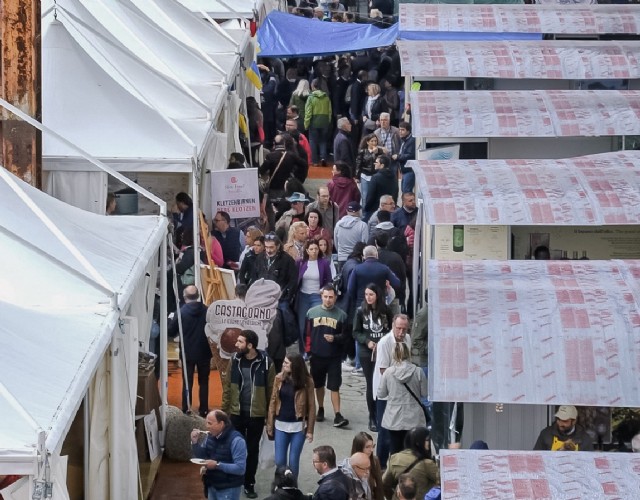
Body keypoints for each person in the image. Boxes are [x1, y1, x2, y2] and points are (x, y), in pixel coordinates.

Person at [222, 330, 276, 498]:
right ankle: (234, 480)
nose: (236, 344)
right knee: (235, 448)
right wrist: (224, 412)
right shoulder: (234, 360)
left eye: (240, 341)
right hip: (236, 414)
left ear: (250, 345)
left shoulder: (266, 363)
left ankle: (249, 483)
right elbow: (227, 387)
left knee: (252, 450)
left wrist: (269, 419)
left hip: (256, 416)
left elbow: (272, 393)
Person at [306, 285, 350, 428]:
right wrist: (308, 351)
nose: (328, 300)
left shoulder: (341, 315)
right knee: (318, 385)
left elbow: (346, 336)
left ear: (335, 298)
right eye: (325, 296)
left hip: (334, 357)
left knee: (334, 386)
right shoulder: (311, 313)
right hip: (317, 355)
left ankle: (337, 414)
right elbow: (306, 334)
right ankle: (320, 408)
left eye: (331, 297)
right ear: (321, 296)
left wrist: (335, 338)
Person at [266, 353, 316, 478]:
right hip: (280, 424)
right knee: (279, 461)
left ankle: (292, 489)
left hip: (298, 426)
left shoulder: (307, 381)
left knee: (293, 461)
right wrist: (270, 425)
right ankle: (281, 486)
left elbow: (311, 406)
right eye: (284, 362)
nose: (283, 365)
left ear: (295, 365)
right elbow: (273, 402)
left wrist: (310, 430)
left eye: (286, 363)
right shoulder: (279, 378)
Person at [353, 283, 394, 432]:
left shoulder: (386, 310)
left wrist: (381, 341)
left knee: (384, 382)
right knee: (371, 383)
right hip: (367, 352)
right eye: (366, 294)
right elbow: (356, 332)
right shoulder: (360, 311)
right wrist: (367, 341)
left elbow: (390, 330)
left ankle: (383, 413)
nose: (368, 297)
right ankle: (372, 416)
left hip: (383, 351)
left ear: (377, 295)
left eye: (371, 294)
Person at [373, 315, 412, 468]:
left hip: (400, 393)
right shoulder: (385, 343)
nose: (401, 332)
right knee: (384, 431)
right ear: (392, 326)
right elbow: (383, 370)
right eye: (398, 328)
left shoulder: (407, 339)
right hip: (386, 393)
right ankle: (380, 465)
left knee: (399, 429)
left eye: (404, 329)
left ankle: (396, 465)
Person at [377, 343, 428, 454]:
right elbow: (425, 393)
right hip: (414, 417)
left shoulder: (388, 373)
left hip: (394, 417)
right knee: (413, 451)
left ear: (394, 355)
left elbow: (381, 394)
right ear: (408, 353)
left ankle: (397, 470)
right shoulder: (418, 371)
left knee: (395, 449)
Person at [168, 286, 211, 417]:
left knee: (187, 381)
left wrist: (169, 319)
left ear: (184, 297)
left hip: (187, 352)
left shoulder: (181, 312)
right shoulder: (207, 311)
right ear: (198, 296)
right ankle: (204, 409)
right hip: (204, 351)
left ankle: (186, 407)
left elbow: (170, 332)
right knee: (204, 381)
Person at [191, 410, 247, 500]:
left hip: (229, 488)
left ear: (221, 424)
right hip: (212, 484)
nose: (207, 426)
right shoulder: (210, 436)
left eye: (210, 423)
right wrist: (195, 442)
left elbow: (240, 469)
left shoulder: (237, 441)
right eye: (206, 423)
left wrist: (217, 465)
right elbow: (201, 457)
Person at [382, 427, 439, 500]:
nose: (428, 443)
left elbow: (384, 483)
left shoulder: (395, 458)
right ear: (418, 443)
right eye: (427, 440)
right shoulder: (427, 464)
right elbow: (444, 483)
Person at [297, 240, 333, 351]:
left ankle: (314, 348)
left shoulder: (324, 263)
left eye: (316, 249)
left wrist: (323, 290)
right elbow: (296, 279)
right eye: (311, 249)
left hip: (317, 296)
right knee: (302, 325)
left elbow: (329, 280)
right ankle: (303, 350)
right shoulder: (300, 262)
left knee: (316, 323)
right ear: (307, 250)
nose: (314, 251)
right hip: (303, 296)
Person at [347, 246, 400, 316]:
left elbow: (350, 289)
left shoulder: (357, 269)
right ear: (376, 255)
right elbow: (397, 283)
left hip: (361, 304)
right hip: (379, 305)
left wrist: (357, 298)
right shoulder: (384, 269)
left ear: (364, 256)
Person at [253, 233, 298, 304]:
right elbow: (255, 275)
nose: (268, 250)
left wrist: (286, 294)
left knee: (284, 311)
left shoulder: (287, 260)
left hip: (280, 298)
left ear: (278, 246)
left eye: (271, 247)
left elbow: (293, 280)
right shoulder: (260, 257)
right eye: (266, 247)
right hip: (262, 296)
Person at [305, 78, 332, 166]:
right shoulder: (326, 97)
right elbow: (329, 111)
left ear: (312, 86)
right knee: (323, 141)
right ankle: (323, 158)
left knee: (313, 141)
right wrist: (328, 121)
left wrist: (306, 124)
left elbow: (308, 112)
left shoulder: (311, 97)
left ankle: (315, 161)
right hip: (324, 122)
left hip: (314, 122)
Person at [364, 155, 398, 223]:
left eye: (376, 162)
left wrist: (366, 208)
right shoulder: (394, 177)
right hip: (390, 210)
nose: (374, 164)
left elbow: (370, 195)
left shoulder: (375, 177)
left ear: (382, 165)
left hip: (375, 211)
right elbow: (396, 192)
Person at [334, 202, 369, 267]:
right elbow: (364, 243)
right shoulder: (363, 225)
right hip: (356, 260)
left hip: (341, 258)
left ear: (347, 211)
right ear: (359, 211)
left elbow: (336, 242)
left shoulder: (338, 224)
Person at [352, 432, 384, 500]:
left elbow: (379, 487)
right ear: (359, 448)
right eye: (367, 447)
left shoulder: (375, 461)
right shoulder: (350, 465)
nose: (371, 450)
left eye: (372, 446)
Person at [355, 134, 384, 209]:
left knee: (375, 195)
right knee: (365, 196)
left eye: (375, 141)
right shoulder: (362, 152)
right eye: (372, 141)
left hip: (375, 176)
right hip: (365, 175)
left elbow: (382, 162)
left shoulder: (380, 151)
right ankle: (365, 212)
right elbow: (358, 164)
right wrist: (357, 176)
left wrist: (376, 153)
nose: (374, 143)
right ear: (367, 142)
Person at [373, 113, 400, 177]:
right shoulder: (376, 133)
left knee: (393, 178)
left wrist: (398, 155)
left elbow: (400, 144)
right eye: (381, 120)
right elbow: (373, 146)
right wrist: (381, 148)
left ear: (389, 120)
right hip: (382, 160)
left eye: (385, 120)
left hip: (393, 159)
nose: (383, 122)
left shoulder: (396, 131)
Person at [392, 122, 416, 194]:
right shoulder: (404, 140)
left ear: (408, 131)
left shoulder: (411, 141)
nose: (400, 132)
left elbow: (411, 155)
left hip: (409, 170)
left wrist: (398, 156)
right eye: (399, 130)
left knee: (406, 192)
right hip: (404, 171)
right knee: (404, 191)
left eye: (402, 130)